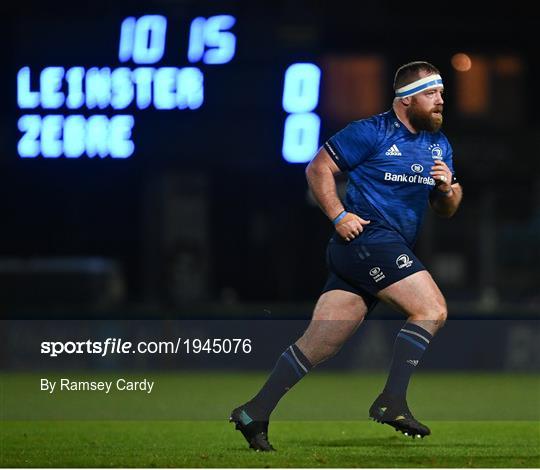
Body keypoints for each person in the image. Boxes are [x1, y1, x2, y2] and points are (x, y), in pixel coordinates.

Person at [230, 61, 463, 451]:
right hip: (368, 240)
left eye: (441, 93)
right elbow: (318, 167)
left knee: (319, 344)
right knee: (431, 310)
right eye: (431, 94)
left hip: (371, 252)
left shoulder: (439, 145)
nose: (441, 100)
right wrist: (338, 215)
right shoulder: (370, 131)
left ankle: (254, 412)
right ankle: (392, 401)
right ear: (405, 101)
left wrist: (447, 189)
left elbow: (447, 208)